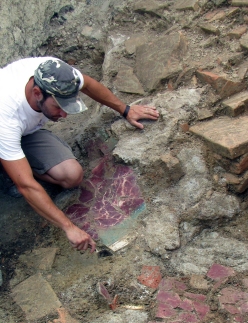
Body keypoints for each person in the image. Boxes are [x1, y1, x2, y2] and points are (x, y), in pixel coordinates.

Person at [0, 57, 159, 253]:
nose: (64, 115)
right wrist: (69, 227)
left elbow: (89, 84)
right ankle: (9, 167)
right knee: (21, 180)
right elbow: (26, 186)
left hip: (25, 133)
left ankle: (14, 162)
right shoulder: (6, 114)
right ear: (36, 93)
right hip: (6, 131)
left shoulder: (57, 73)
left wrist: (125, 110)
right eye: (59, 107)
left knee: (72, 175)